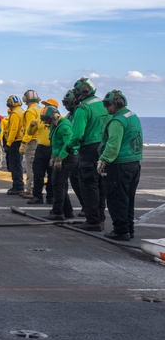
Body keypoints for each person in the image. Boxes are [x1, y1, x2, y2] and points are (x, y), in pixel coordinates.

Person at [98, 90, 142, 241]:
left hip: (119, 165)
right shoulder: (132, 116)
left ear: (118, 103)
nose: (106, 108)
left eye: (107, 104)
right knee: (128, 198)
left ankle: (120, 231)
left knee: (117, 198)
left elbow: (113, 145)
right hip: (134, 164)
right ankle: (129, 229)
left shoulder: (117, 121)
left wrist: (103, 160)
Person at [67, 77, 109, 231]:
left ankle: (93, 221)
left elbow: (77, 134)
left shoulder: (82, 108)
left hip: (89, 149)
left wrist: (68, 147)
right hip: (103, 147)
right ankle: (101, 218)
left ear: (81, 92)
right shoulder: (104, 104)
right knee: (100, 184)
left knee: (88, 184)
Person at [43, 104, 77, 221]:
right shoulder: (55, 126)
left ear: (53, 117)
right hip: (61, 157)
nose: (45, 123)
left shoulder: (64, 127)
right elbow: (56, 144)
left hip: (67, 158)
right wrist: (53, 156)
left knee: (57, 184)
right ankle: (68, 211)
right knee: (60, 185)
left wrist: (60, 159)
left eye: (47, 120)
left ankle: (58, 212)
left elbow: (68, 145)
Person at [19, 90, 42, 199]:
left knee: (30, 166)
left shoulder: (30, 111)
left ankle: (29, 190)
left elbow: (29, 128)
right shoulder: (41, 108)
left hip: (32, 141)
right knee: (38, 167)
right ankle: (37, 189)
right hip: (42, 140)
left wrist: (24, 143)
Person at [3, 95, 26, 195]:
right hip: (21, 140)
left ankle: (18, 186)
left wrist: (8, 143)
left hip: (15, 141)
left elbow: (13, 129)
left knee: (14, 165)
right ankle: (18, 185)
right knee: (18, 164)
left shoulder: (15, 114)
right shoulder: (22, 111)